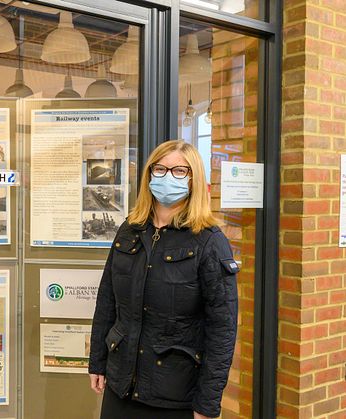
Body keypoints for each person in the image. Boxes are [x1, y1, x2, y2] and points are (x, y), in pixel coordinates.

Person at [88, 140, 238, 419]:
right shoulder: (129, 230)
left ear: (193, 180)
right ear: (149, 175)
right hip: (121, 385)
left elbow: (222, 330)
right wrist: (97, 361)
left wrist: (208, 403)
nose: (168, 177)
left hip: (174, 394)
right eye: (160, 169)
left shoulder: (208, 242)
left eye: (180, 171)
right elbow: (107, 299)